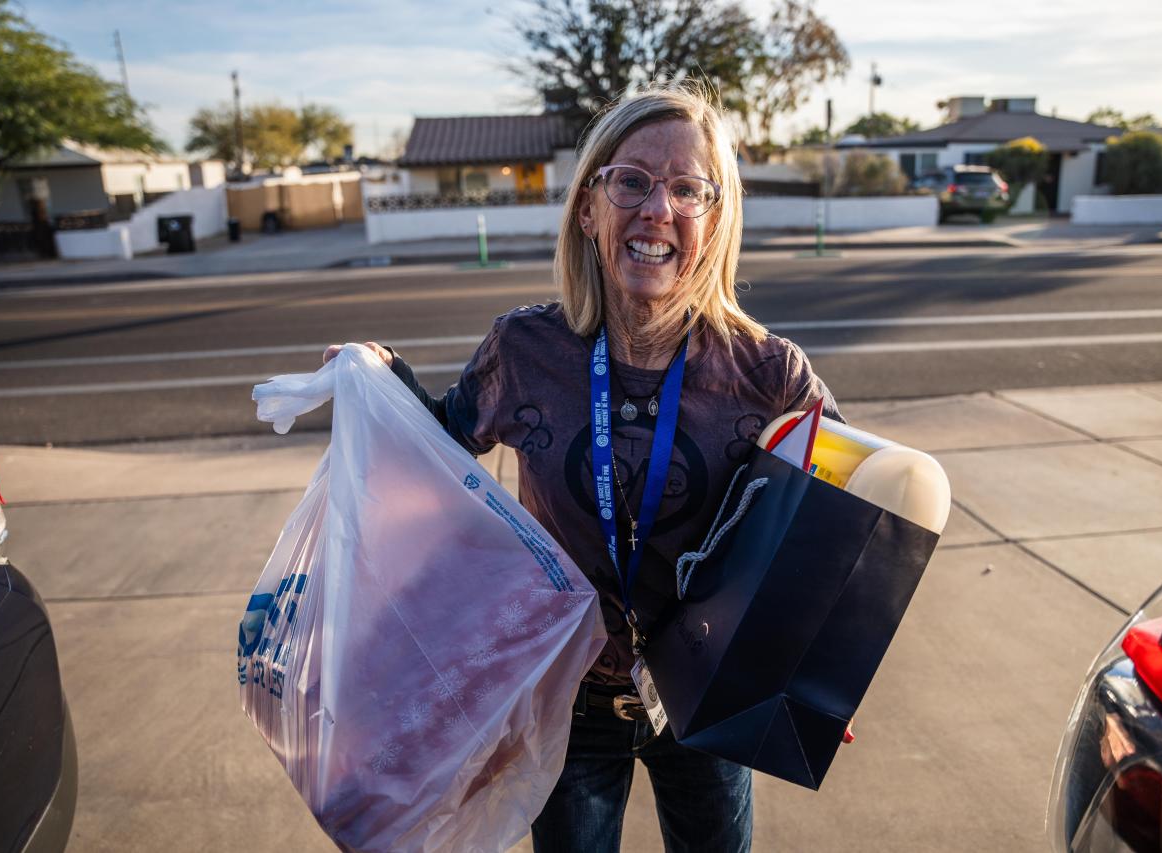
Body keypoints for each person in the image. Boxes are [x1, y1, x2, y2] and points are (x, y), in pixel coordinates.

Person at [325, 83, 842, 853]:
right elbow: (440, 441)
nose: (656, 209)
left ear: (716, 215)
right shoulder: (527, 350)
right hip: (564, 703)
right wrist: (377, 375)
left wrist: (823, 663)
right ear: (588, 207)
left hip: (705, 699)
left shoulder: (769, 374)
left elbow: (838, 522)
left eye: (686, 189)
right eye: (631, 180)